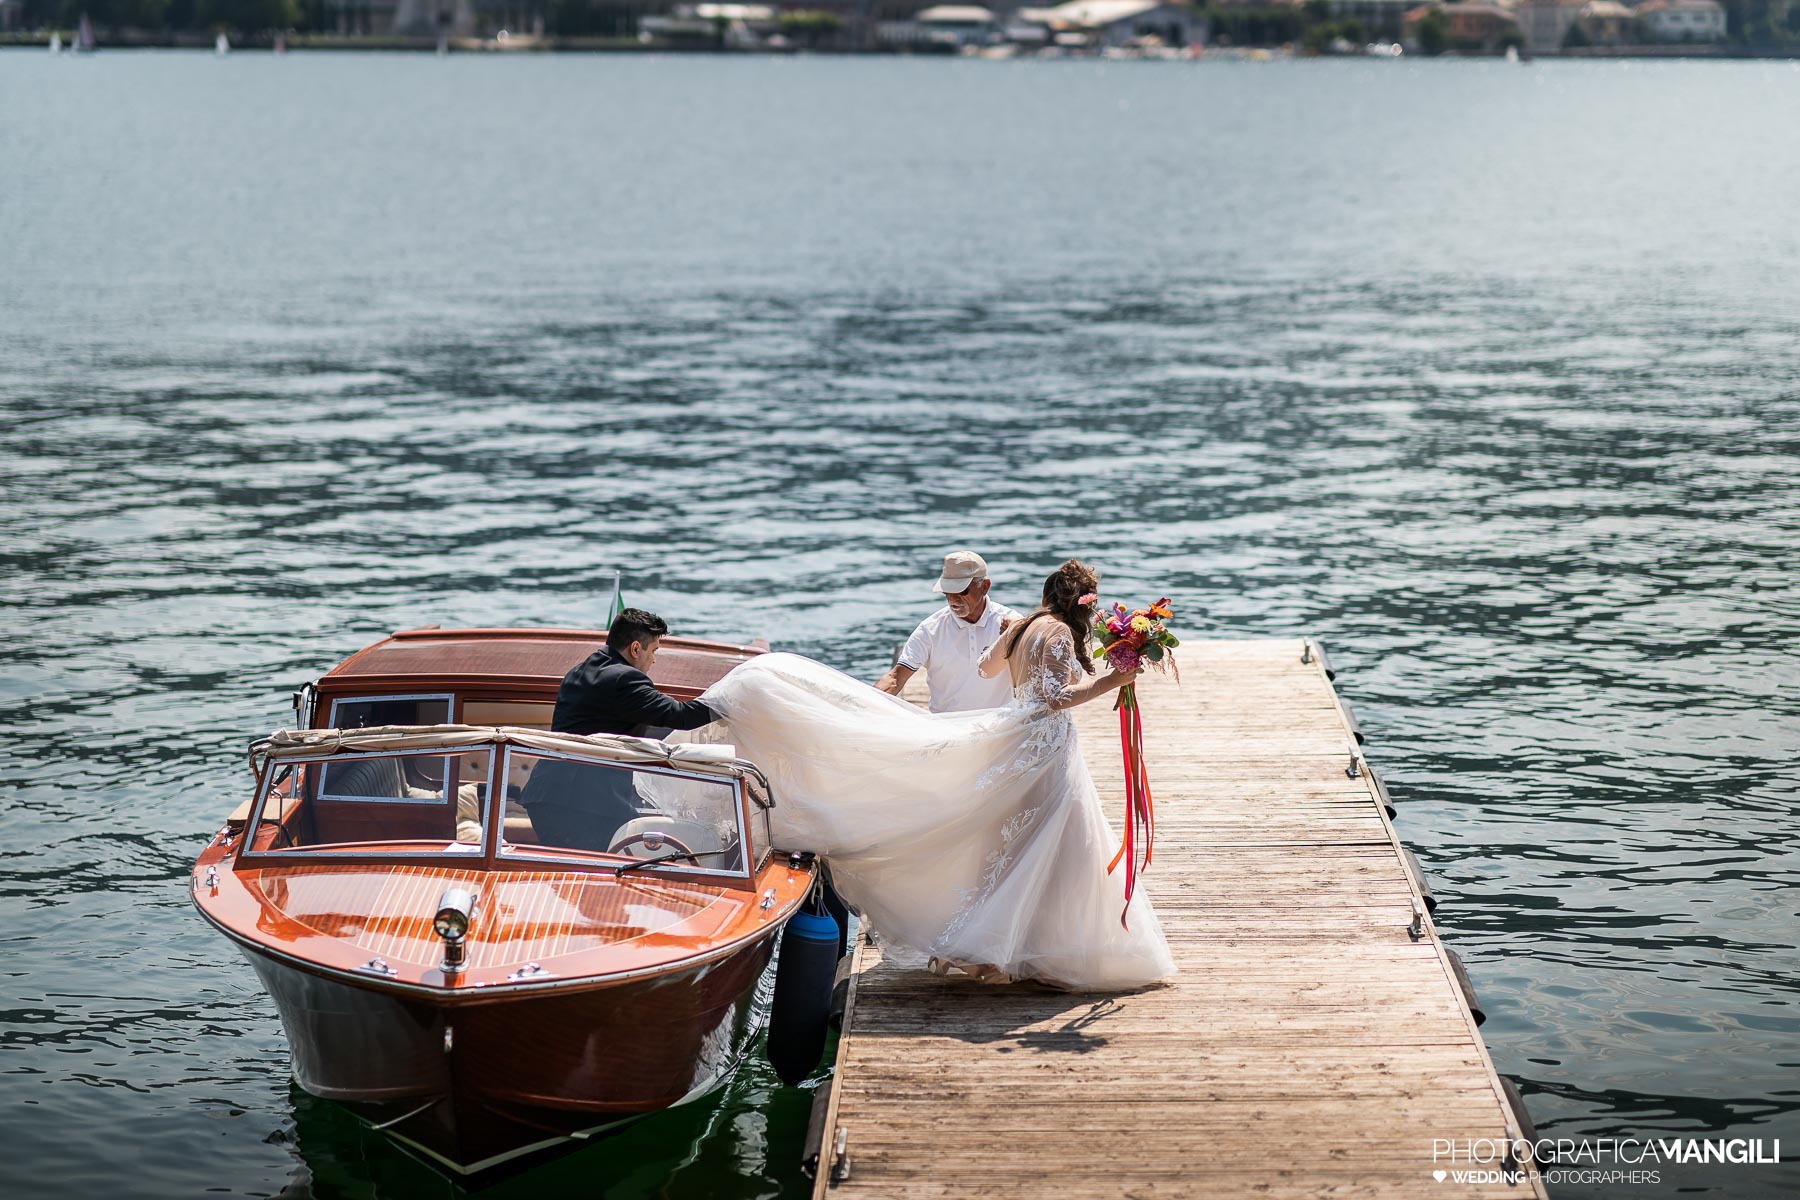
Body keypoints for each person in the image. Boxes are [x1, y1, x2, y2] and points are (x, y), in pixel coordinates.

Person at [679, 560, 1175, 991]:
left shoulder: (1022, 626)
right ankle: (1040, 949)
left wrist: (1018, 644)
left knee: (1020, 840)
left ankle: (1004, 945)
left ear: (1046, 596)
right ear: (1084, 610)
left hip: (1016, 735)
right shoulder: (1059, 633)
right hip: (1043, 743)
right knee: (1051, 839)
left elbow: (986, 669)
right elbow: (1054, 699)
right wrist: (1112, 680)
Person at [521, 608, 717, 851]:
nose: (654, 659)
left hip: (548, 796)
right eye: (654, 650)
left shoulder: (579, 671)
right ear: (636, 649)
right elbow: (681, 715)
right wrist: (730, 701)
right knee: (609, 873)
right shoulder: (624, 679)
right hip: (582, 804)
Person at [876, 551, 1022, 713]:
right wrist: (865, 708)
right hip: (948, 728)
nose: (953, 599)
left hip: (1001, 728)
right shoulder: (929, 630)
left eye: (961, 591)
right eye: (947, 592)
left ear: (985, 587)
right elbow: (895, 678)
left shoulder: (1011, 623)